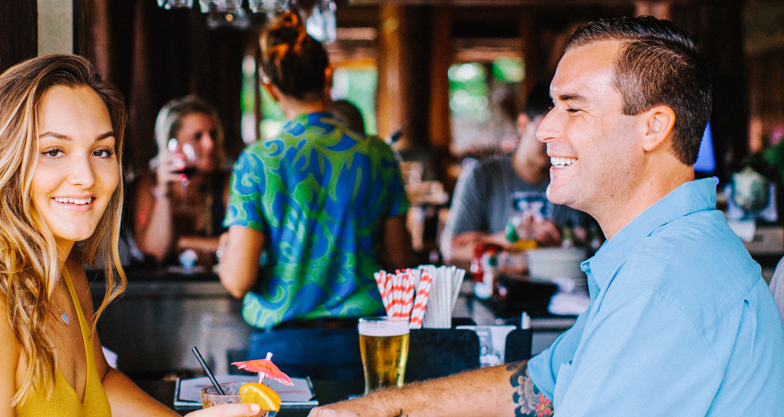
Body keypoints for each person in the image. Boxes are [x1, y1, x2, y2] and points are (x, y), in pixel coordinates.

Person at [310, 16, 784, 417]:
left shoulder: (663, 288)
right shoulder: (661, 253)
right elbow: (541, 383)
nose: (545, 129)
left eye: (573, 108)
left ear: (653, 127)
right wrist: (375, 407)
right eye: (552, 107)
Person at [0, 54, 260, 417]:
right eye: (54, 151)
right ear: (5, 160)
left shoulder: (65, 271)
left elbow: (100, 384)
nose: (87, 177)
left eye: (101, 151)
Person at [218, 12, 414, 381]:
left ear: (270, 89)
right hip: (362, 344)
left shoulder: (260, 160)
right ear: (329, 76)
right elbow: (399, 260)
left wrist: (226, 252)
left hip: (281, 349)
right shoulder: (377, 154)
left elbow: (238, 279)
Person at [440, 83, 590, 263]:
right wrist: (511, 240)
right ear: (522, 124)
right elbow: (452, 250)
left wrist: (567, 238)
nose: (557, 142)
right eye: (546, 130)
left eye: (566, 132)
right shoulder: (481, 176)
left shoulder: (575, 176)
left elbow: (592, 243)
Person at [131, 96, 230, 267]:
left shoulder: (227, 183)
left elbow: (238, 245)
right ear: (172, 143)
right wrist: (163, 190)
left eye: (213, 134)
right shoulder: (148, 184)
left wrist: (182, 242)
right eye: (197, 136)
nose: (210, 143)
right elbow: (154, 253)